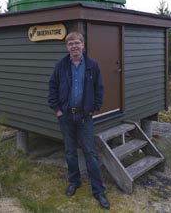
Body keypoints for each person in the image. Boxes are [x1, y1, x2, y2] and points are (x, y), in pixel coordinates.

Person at [48, 31, 110, 210]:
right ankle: (74, 182)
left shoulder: (92, 65)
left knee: (90, 153)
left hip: (85, 117)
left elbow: (99, 88)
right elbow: (52, 87)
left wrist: (94, 107)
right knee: (70, 151)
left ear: (83, 45)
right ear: (67, 47)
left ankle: (98, 191)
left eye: (77, 43)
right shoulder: (61, 66)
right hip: (66, 116)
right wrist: (57, 110)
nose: (74, 46)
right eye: (70, 44)